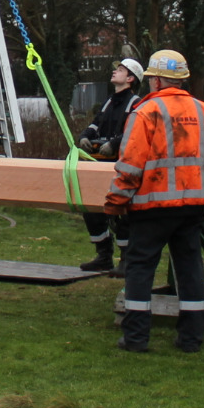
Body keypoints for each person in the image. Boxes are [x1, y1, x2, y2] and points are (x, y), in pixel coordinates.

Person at [104, 49, 204, 354]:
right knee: (190, 267)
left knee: (140, 268)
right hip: (195, 207)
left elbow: (129, 165)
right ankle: (191, 338)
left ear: (156, 80)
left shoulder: (145, 112)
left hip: (151, 208)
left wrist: (115, 203)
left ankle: (136, 337)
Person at [79, 57, 145, 272]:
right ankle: (103, 254)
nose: (115, 72)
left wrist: (115, 144)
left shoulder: (136, 103)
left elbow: (134, 132)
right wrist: (85, 136)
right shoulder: (109, 101)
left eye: (120, 70)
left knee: (122, 213)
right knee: (92, 209)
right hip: (100, 165)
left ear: (131, 78)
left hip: (121, 167)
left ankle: (126, 260)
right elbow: (95, 123)